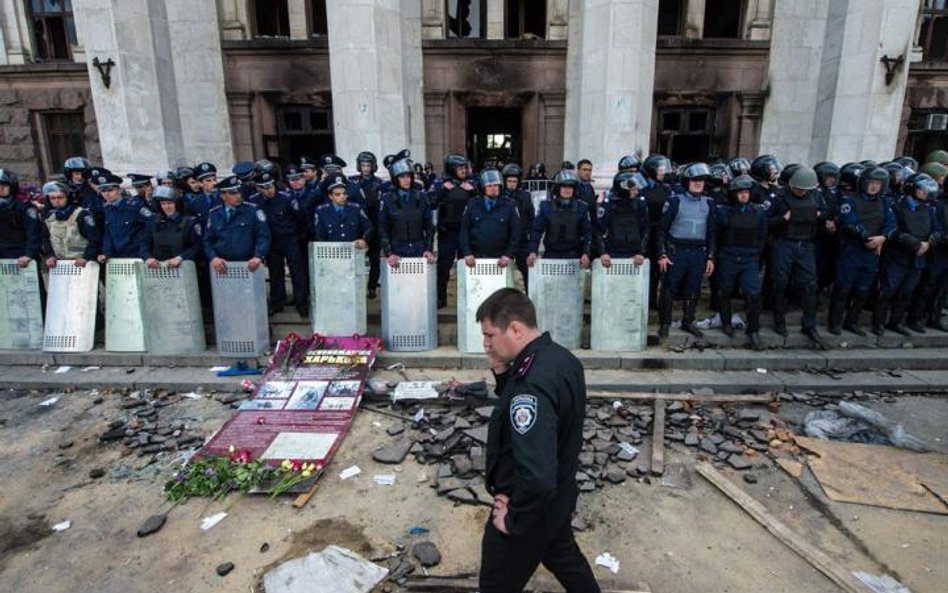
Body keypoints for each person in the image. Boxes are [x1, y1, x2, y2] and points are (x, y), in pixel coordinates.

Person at [476, 287, 600, 593]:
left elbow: (537, 475)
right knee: (563, 557)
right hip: (558, 497)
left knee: (496, 584)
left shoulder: (530, 386)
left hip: (529, 507)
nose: (485, 344)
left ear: (515, 329)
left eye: (490, 335)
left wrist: (513, 519)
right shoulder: (560, 358)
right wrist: (504, 374)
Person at [828, 167, 896, 336]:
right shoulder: (849, 200)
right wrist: (868, 239)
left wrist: (883, 238)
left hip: (873, 252)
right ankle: (834, 322)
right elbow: (850, 222)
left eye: (878, 183)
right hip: (852, 250)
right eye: (871, 183)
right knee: (843, 288)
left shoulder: (885, 202)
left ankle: (851, 322)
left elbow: (891, 224)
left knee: (863, 290)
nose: (874, 186)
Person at [767, 166, 828, 349]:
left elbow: (827, 213)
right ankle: (779, 321)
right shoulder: (778, 197)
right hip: (784, 243)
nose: (801, 192)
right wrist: (783, 219)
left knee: (810, 285)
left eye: (804, 190)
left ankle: (808, 326)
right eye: (798, 189)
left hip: (806, 244)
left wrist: (818, 214)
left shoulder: (816, 196)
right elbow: (766, 221)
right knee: (780, 283)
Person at [875, 174, 942, 336]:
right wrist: (913, 243)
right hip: (897, 257)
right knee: (888, 291)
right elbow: (892, 230)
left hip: (918, 258)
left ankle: (895, 322)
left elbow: (938, 230)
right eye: (921, 190)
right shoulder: (897, 206)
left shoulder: (928, 208)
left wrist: (928, 243)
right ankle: (878, 323)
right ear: (912, 188)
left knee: (907, 292)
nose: (925, 193)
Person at [656, 163, 716, 338]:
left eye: (701, 180)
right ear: (687, 181)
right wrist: (662, 254)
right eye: (694, 180)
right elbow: (662, 230)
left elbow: (712, 233)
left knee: (693, 288)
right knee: (669, 288)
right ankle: (665, 323)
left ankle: (688, 321)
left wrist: (710, 256)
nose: (698, 183)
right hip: (677, 251)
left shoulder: (709, 203)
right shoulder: (675, 201)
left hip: (697, 252)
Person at [714, 175, 767, 349]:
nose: (744, 195)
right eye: (740, 193)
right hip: (728, 256)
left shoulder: (758, 212)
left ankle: (753, 331)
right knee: (725, 292)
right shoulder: (723, 212)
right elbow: (717, 235)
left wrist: (756, 255)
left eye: (746, 192)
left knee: (753, 295)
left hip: (749, 258)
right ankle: (726, 323)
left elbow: (762, 236)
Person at [249, 171, 308, 318]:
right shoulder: (254, 201)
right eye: (265, 187)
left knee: (297, 272)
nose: (269, 190)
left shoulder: (286, 198)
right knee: (276, 273)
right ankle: (277, 302)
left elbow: (299, 218)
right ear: (258, 188)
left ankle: (301, 304)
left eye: (270, 186)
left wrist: (295, 234)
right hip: (271, 242)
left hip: (289, 239)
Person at [430, 153, 477, 308]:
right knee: (443, 268)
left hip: (467, 233)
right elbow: (431, 203)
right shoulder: (440, 183)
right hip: (447, 232)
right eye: (460, 168)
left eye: (465, 167)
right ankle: (441, 298)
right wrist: (443, 190)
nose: (464, 171)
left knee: (467, 267)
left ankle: (468, 298)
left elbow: (482, 201)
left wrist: (472, 191)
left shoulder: (472, 183)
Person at [202, 175, 270, 275]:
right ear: (223, 196)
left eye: (239, 192)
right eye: (233, 193)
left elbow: (263, 235)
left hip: (249, 265)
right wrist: (213, 257)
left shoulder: (252, 211)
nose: (238, 196)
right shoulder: (214, 214)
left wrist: (258, 256)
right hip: (223, 267)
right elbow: (207, 240)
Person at [378, 151, 435, 267]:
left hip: (419, 246)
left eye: (408, 176)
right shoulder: (387, 199)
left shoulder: (422, 196)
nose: (406, 180)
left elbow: (429, 225)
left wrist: (429, 249)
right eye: (402, 177)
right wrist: (389, 252)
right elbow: (383, 227)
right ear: (395, 179)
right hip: (397, 248)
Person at [528, 169, 593, 267]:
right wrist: (533, 251)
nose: (567, 190)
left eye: (570, 187)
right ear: (557, 188)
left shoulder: (582, 208)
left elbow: (587, 233)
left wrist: (586, 253)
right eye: (564, 187)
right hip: (551, 254)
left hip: (573, 255)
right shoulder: (546, 206)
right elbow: (536, 231)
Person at [459, 169, 520, 269]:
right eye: (489, 186)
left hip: (501, 260)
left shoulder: (510, 205)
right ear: (483, 187)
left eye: (496, 185)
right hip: (476, 259)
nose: (493, 188)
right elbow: (464, 230)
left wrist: (508, 254)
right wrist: (467, 252)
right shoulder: (472, 204)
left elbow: (516, 232)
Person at [40, 180, 100, 269]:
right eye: (53, 198)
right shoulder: (49, 217)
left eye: (60, 197)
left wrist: (86, 257)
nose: (57, 201)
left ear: (68, 198)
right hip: (60, 264)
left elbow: (94, 239)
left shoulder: (81, 215)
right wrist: (50, 255)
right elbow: (46, 239)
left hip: (83, 264)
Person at [350, 151, 384, 298]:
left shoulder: (379, 183)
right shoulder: (352, 182)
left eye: (368, 165)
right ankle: (355, 285)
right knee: (355, 257)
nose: (365, 168)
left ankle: (372, 286)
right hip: (358, 224)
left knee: (374, 258)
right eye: (363, 165)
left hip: (374, 224)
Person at [597, 171, 649, 268]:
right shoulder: (608, 205)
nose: (636, 192)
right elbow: (598, 230)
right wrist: (603, 252)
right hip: (613, 253)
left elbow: (645, 228)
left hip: (635, 254)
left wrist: (641, 252)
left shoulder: (640, 204)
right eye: (633, 190)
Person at [142, 186, 202, 268]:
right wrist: (148, 257)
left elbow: (197, 246)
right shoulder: (153, 221)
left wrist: (181, 257)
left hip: (182, 268)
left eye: (169, 203)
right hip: (157, 268)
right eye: (163, 204)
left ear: (176, 203)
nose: (166, 207)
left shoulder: (189, 222)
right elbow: (144, 243)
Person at [97, 172, 152, 262]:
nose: (106, 194)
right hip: (116, 257)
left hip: (136, 255)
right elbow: (108, 234)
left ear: (119, 190)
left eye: (110, 190)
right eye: (103, 191)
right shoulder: (107, 209)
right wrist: (106, 253)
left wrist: (146, 252)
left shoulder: (134, 207)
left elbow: (151, 226)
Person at [313, 173, 373, 248]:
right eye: (337, 194)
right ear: (330, 196)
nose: (342, 197)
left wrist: (364, 239)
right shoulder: (321, 211)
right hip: (331, 252)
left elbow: (369, 227)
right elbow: (319, 234)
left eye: (344, 194)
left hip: (353, 250)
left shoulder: (355, 209)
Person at [501, 163, 534, 289]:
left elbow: (531, 216)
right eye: (509, 181)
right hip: (505, 239)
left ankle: (530, 296)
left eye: (514, 181)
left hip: (522, 239)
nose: (512, 184)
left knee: (526, 270)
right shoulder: (500, 196)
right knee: (503, 270)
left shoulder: (525, 196)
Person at [0, 169, 41, 266]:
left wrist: (29, 254)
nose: (0, 189)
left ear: (12, 187)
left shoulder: (24, 207)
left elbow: (34, 233)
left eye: (4, 186)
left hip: (22, 257)